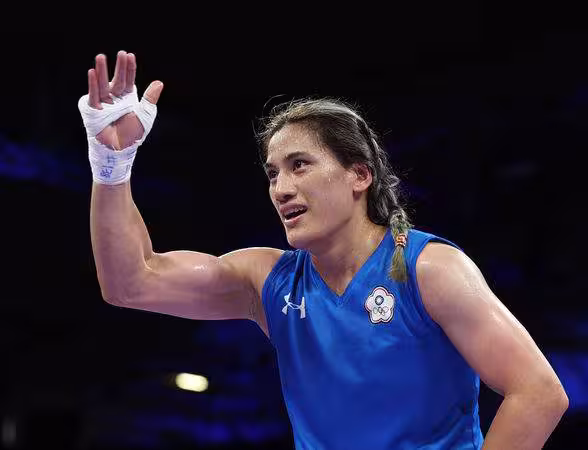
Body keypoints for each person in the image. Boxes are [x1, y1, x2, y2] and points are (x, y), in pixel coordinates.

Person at [80, 50, 569, 449]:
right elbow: (130, 283)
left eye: (300, 165)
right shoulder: (267, 280)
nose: (281, 188)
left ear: (359, 175)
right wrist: (112, 161)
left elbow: (538, 392)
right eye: (273, 173)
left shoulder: (429, 269)